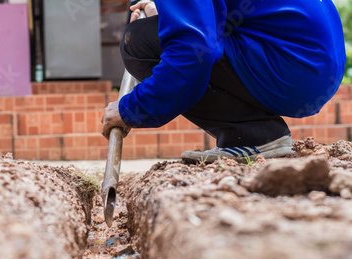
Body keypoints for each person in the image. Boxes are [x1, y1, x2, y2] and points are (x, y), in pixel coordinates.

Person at [100, 0, 346, 162]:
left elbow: (192, 50)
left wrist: (131, 109)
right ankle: (255, 133)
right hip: (313, 63)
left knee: (139, 40)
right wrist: (168, 15)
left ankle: (253, 136)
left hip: (295, 66)